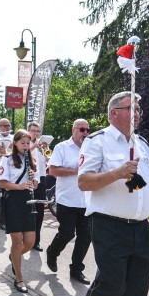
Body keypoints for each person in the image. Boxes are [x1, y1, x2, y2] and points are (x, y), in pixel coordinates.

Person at [69, 91, 149, 296]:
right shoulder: (97, 142)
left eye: (139, 109)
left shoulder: (142, 144)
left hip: (139, 227)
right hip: (108, 224)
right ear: (114, 113)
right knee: (114, 284)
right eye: (132, 109)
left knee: (137, 288)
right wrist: (118, 172)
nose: (138, 113)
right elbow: (84, 181)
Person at [46, 119, 92, 285]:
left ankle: (76, 269)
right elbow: (53, 170)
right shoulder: (62, 147)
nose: (85, 133)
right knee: (67, 234)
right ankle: (52, 252)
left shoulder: (92, 149)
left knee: (85, 237)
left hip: (86, 201)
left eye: (88, 130)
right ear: (73, 130)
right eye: (82, 129)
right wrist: (75, 171)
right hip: (67, 200)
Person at [0, 130, 40, 293]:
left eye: (28, 143)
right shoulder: (7, 159)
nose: (26, 146)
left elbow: (35, 184)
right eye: (22, 143)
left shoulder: (31, 159)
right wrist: (20, 186)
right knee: (17, 241)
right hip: (13, 200)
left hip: (28, 200)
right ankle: (19, 278)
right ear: (15, 143)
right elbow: (2, 183)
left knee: (29, 241)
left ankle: (14, 257)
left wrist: (33, 181)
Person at [28, 121, 47, 251]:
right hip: (28, 179)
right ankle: (26, 239)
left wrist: (45, 151)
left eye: (37, 131)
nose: (36, 133)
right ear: (28, 131)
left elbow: (45, 164)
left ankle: (36, 241)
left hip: (41, 179)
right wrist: (33, 147)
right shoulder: (23, 142)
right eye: (33, 130)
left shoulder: (40, 146)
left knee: (40, 212)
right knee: (28, 211)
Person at [0, 118, 14, 231]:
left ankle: (9, 219)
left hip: (11, 170)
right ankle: (1, 220)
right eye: (4, 125)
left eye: (8, 125)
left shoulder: (13, 138)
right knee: (2, 197)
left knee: (10, 197)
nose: (7, 127)